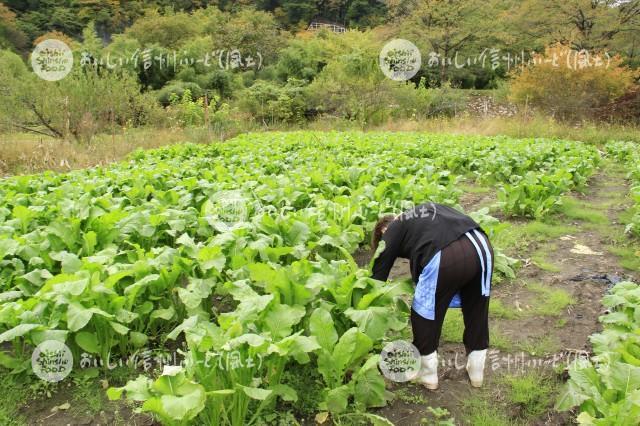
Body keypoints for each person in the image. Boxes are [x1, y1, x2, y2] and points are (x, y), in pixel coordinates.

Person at [371, 202, 493, 390]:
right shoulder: (426, 212)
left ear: (385, 228)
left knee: (424, 311)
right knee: (476, 307)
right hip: (481, 244)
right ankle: (476, 371)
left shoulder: (394, 227)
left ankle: (428, 375)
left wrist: (367, 299)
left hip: (446, 253)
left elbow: (378, 273)